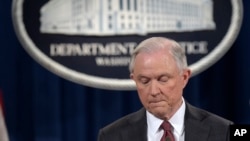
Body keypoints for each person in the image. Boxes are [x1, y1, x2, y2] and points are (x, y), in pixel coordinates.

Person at [98, 37, 233, 141]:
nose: (154, 91)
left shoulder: (224, 130)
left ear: (184, 77)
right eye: (144, 81)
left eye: (163, 79)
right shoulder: (111, 136)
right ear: (134, 80)